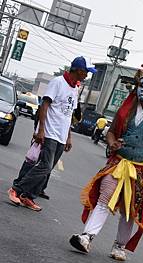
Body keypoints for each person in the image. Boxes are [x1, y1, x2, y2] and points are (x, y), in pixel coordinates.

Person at [69, 56, 143, 261]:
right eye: (141, 85)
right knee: (104, 198)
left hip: (141, 169)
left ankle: (120, 246)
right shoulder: (126, 109)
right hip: (118, 164)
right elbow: (111, 132)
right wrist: (112, 142)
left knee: (130, 208)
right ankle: (87, 237)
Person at [8, 57, 95, 211]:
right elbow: (45, 105)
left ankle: (28, 196)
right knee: (44, 166)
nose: (87, 75)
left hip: (61, 135)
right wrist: (41, 130)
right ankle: (17, 189)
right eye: (86, 72)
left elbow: (69, 115)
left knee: (48, 168)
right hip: (49, 132)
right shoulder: (58, 82)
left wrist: (68, 137)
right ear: (79, 70)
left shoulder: (75, 88)